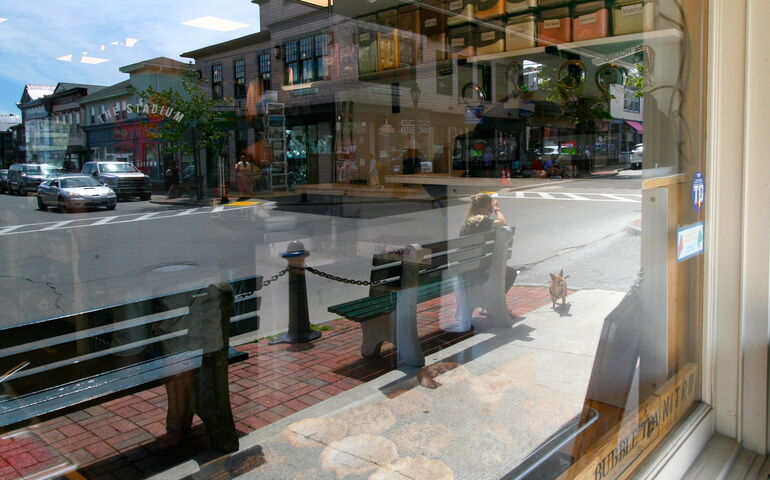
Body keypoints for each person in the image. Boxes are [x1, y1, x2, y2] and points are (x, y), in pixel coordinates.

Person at [460, 193, 517, 294]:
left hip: (466, 265)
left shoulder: (469, 221)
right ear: (483, 208)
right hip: (474, 269)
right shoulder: (480, 220)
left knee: (505, 271)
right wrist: (497, 209)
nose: (491, 212)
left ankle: (489, 301)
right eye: (490, 209)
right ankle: (494, 301)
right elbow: (502, 223)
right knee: (510, 273)